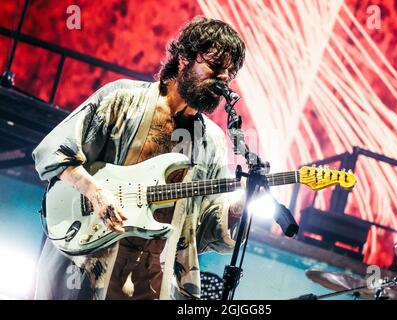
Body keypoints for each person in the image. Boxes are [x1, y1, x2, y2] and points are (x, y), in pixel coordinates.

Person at [32, 16, 246, 300]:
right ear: (183, 58)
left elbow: (202, 229)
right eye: (216, 66)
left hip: (149, 281)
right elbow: (55, 151)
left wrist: (235, 212)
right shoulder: (121, 98)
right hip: (86, 264)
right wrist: (94, 192)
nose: (223, 77)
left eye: (230, 72)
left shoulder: (213, 142)